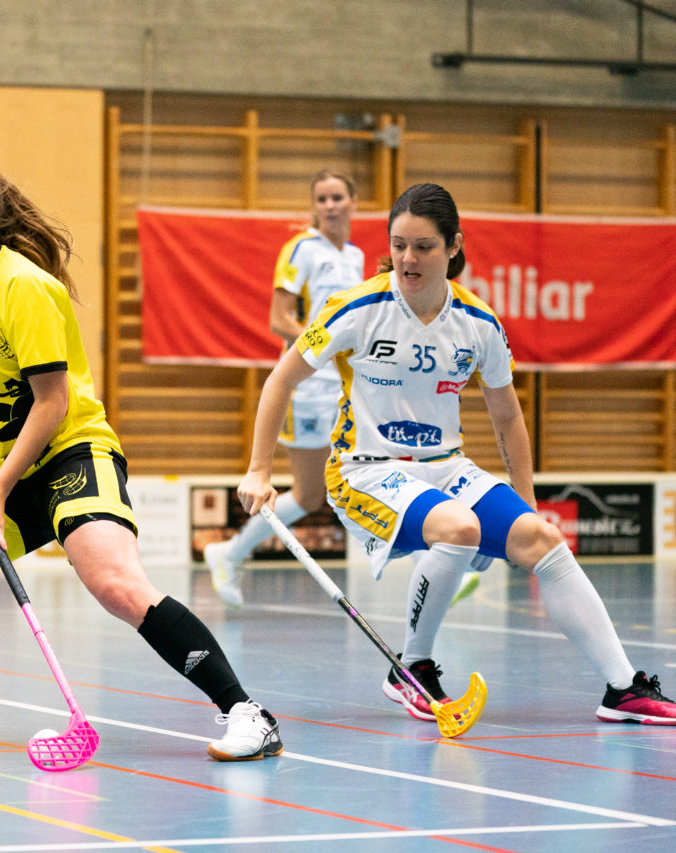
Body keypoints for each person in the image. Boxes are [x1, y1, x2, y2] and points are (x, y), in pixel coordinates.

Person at [0, 154, 283, 761]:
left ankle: (247, 713)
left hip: (73, 454)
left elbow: (52, 403)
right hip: (6, 467)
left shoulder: (25, 287)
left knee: (115, 585)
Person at [235, 182, 676, 726]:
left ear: (453, 246)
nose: (408, 259)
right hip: (365, 471)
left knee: (542, 540)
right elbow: (281, 380)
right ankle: (411, 668)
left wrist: (525, 502)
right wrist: (259, 469)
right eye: (398, 245)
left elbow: (507, 415)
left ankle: (622, 688)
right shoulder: (357, 308)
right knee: (460, 528)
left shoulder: (478, 323)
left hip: (446, 466)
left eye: (423, 246)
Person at [203, 169, 364, 608]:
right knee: (311, 493)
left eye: (337, 197)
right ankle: (230, 552)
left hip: (345, 385)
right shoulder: (301, 249)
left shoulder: (355, 256)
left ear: (353, 202)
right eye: (322, 198)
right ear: (314, 205)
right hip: (307, 387)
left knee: (344, 480)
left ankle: (433, 554)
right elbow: (279, 319)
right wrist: (325, 346)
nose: (330, 206)